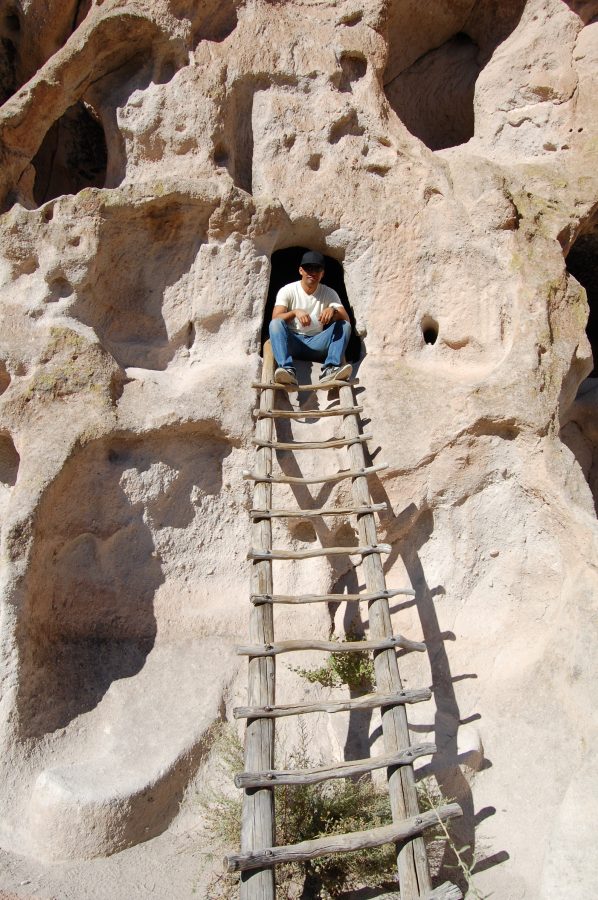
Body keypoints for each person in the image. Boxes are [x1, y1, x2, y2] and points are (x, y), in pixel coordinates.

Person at [269, 250, 352, 386]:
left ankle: (330, 369)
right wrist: (295, 312)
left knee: (344, 325)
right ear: (301, 270)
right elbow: (276, 318)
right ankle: (287, 369)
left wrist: (333, 311)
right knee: (275, 324)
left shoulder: (328, 292)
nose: (312, 272)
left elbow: (346, 319)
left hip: (317, 343)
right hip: (293, 341)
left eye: (317, 268)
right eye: (308, 268)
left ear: (322, 273)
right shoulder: (288, 290)